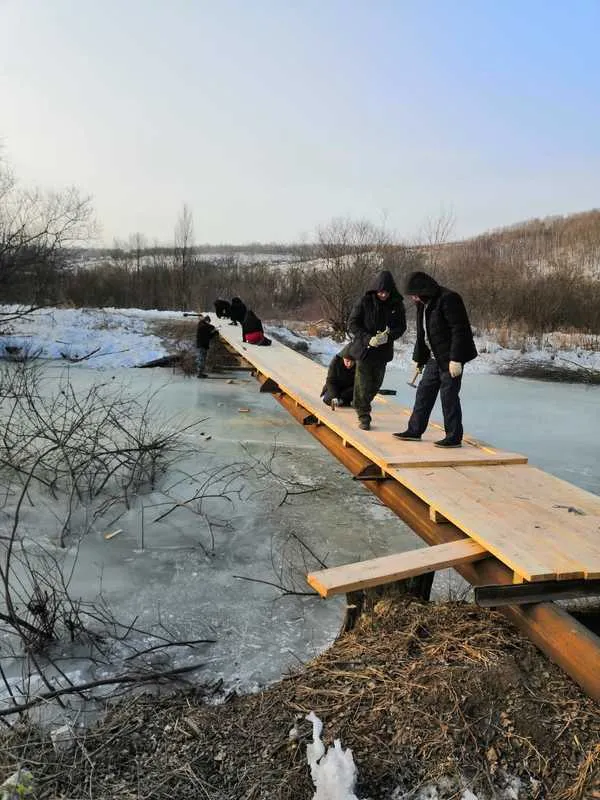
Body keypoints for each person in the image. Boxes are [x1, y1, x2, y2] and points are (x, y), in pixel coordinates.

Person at [393, 271, 477, 447]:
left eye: (414, 294)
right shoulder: (422, 304)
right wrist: (419, 359)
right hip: (434, 357)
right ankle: (414, 430)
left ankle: (453, 437)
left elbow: (460, 330)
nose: (413, 298)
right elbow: (424, 334)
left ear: (424, 290)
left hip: (450, 357)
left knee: (449, 396)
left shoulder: (449, 299)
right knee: (424, 392)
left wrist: (456, 359)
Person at [348, 269, 406, 430]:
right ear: (376, 290)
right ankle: (364, 415)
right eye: (380, 292)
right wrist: (368, 338)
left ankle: (359, 402)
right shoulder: (365, 301)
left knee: (375, 385)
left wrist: (389, 336)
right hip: (365, 350)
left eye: (386, 292)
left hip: (383, 352)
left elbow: (401, 327)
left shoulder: (397, 304)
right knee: (363, 384)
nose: (383, 295)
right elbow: (352, 323)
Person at [321, 345, 356, 409]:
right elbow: (330, 380)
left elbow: (360, 384)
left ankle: (344, 401)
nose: (350, 364)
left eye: (352, 361)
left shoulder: (360, 365)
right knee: (327, 399)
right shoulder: (336, 361)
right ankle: (343, 401)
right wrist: (335, 397)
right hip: (337, 386)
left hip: (350, 389)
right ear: (343, 358)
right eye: (347, 361)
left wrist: (343, 397)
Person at [195, 314, 218, 378]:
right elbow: (207, 327)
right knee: (201, 359)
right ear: (206, 320)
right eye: (208, 321)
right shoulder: (201, 325)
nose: (209, 322)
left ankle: (201, 372)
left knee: (203, 359)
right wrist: (213, 328)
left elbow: (209, 336)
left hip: (204, 345)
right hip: (201, 345)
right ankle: (199, 373)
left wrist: (214, 332)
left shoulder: (205, 327)